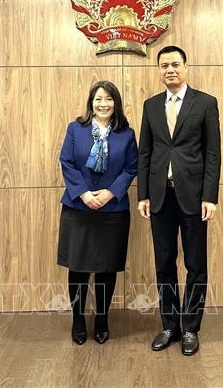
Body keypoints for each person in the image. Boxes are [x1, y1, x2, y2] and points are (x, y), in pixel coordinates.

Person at [137, 45, 221, 356]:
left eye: (175, 64)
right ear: (159, 71)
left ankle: (191, 329)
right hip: (160, 196)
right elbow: (145, 152)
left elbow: (213, 153)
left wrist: (210, 197)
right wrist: (143, 193)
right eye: (164, 66)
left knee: (195, 265)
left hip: (194, 198)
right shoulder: (151, 105)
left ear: (185, 67)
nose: (169, 70)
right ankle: (170, 326)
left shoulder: (206, 103)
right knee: (164, 264)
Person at [58, 80, 138, 345]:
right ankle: (78, 319)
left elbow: (131, 167)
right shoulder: (76, 129)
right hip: (78, 207)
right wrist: (83, 193)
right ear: (91, 102)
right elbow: (66, 161)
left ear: (116, 104)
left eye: (109, 99)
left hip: (113, 209)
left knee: (106, 269)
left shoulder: (126, 134)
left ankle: (102, 319)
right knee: (78, 267)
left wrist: (110, 193)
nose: (103, 104)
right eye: (98, 99)